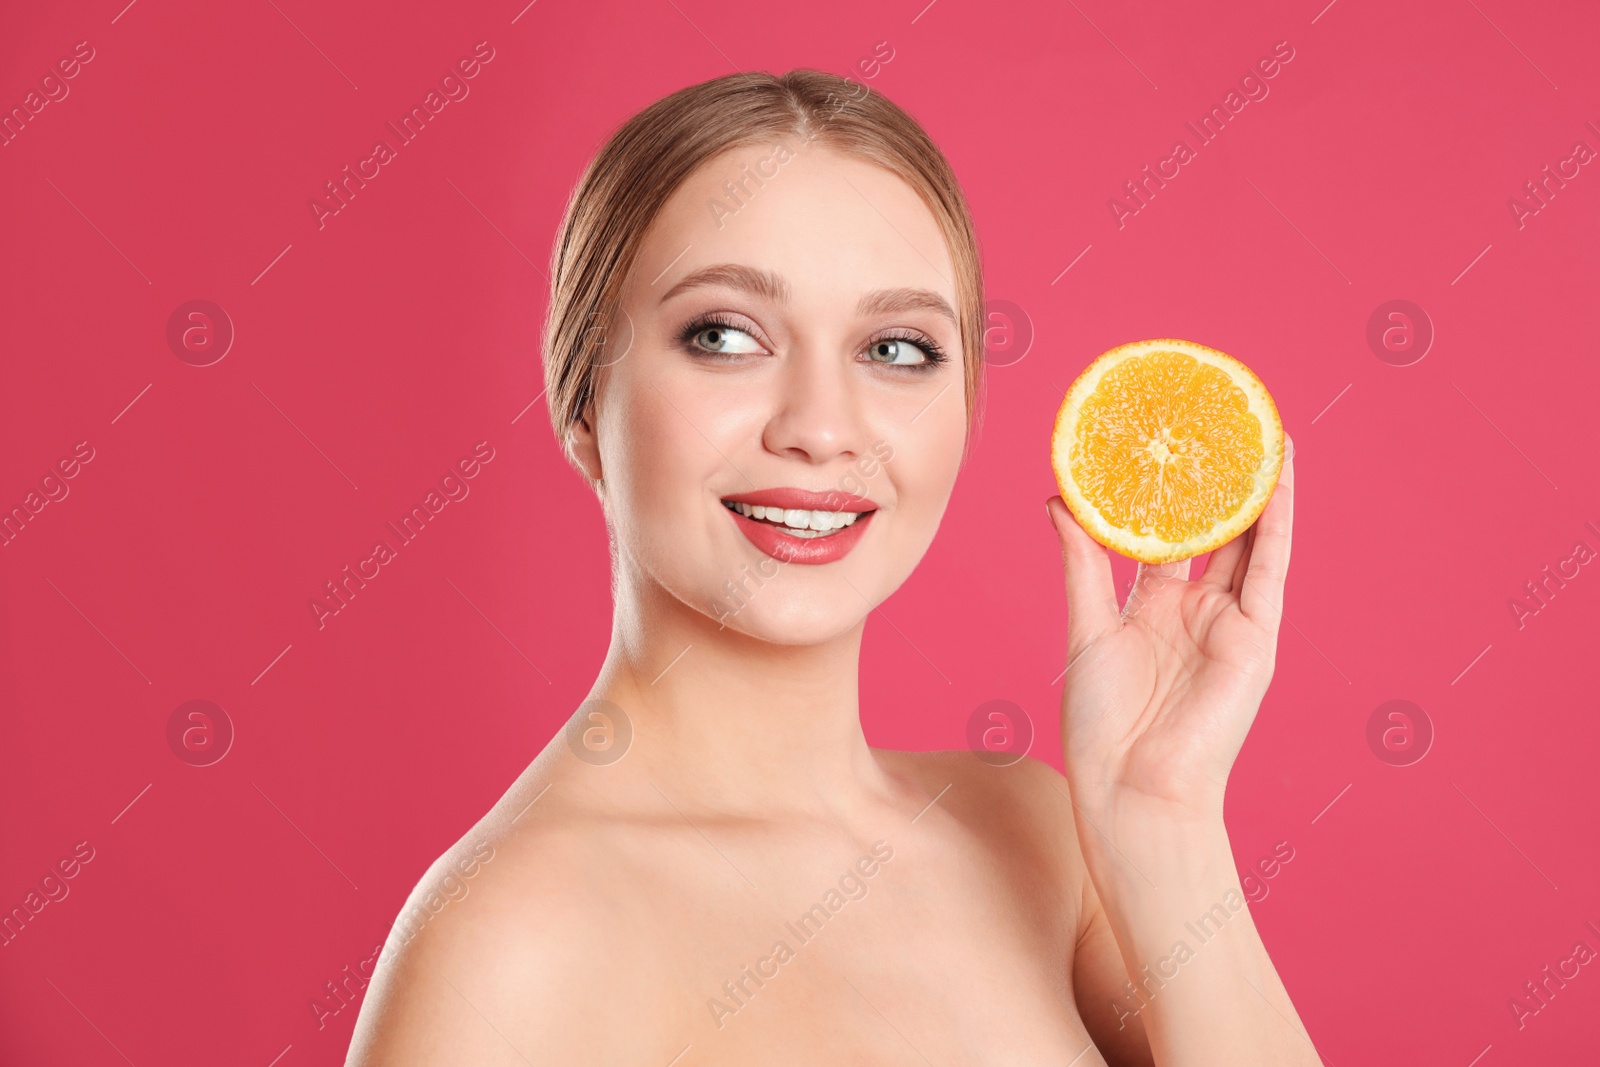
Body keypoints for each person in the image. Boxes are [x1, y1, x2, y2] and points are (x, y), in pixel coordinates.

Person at [347, 68, 1310, 1066]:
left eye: (896, 348)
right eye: (722, 335)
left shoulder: (1033, 836)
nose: (818, 426)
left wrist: (1166, 819)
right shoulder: (510, 943)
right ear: (583, 401)